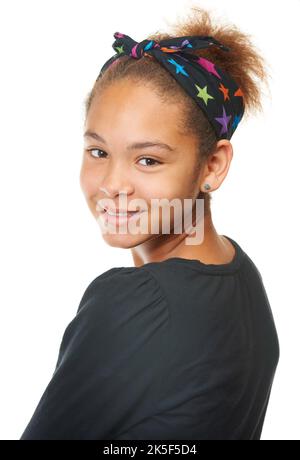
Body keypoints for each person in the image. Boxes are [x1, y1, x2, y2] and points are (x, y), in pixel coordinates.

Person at [20, 6, 279, 440]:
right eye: (98, 152)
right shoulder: (241, 275)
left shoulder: (132, 304)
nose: (112, 185)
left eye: (148, 160)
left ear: (212, 164)